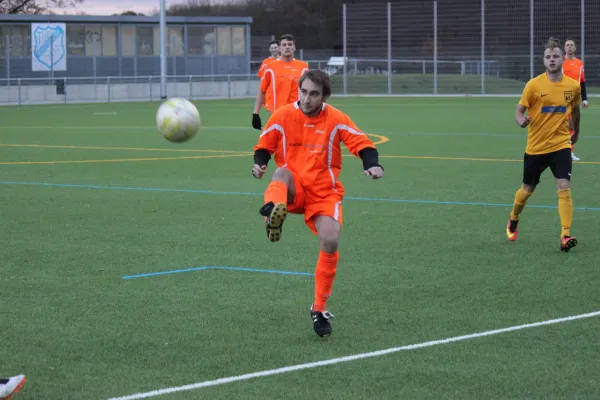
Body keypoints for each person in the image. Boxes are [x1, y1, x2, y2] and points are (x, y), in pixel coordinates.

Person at [252, 69, 384, 337]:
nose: (307, 98)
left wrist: (373, 165)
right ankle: (271, 216)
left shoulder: (335, 118)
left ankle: (318, 308)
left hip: (324, 193)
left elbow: (362, 143)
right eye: (304, 92)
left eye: (314, 94)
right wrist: (259, 164)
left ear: (324, 97)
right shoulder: (283, 115)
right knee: (281, 173)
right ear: (298, 90)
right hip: (294, 188)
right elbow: (264, 145)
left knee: (331, 240)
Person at [507, 37, 580, 252]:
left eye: (556, 56)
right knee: (527, 190)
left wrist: (575, 135)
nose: (552, 60)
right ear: (543, 61)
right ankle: (514, 217)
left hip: (560, 145)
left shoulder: (573, 86)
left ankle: (565, 235)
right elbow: (519, 111)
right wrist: (521, 121)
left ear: (562, 59)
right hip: (536, 147)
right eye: (548, 57)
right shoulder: (534, 85)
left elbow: (576, 114)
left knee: (564, 186)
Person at [252, 34, 309, 130]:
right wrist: (255, 114)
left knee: (296, 143)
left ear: (294, 47)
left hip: (297, 113)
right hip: (276, 113)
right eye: (284, 45)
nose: (287, 47)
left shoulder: (303, 67)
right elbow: (262, 91)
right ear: (279, 48)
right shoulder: (269, 67)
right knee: (274, 143)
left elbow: (309, 91)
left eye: (290, 44)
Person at [563, 38, 589, 161]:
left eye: (571, 45)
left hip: (575, 100)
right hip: (562, 99)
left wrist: (585, 99)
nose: (569, 47)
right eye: (567, 45)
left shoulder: (579, 63)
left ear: (575, 48)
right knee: (561, 126)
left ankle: (569, 152)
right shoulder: (560, 62)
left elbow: (582, 82)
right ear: (564, 48)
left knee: (572, 126)